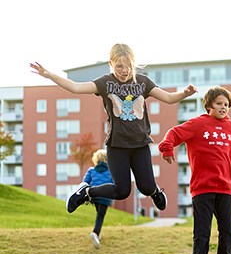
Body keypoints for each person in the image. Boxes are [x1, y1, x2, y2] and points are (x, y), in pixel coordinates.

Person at [30, 44, 197, 214]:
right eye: (119, 66)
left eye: (128, 66)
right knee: (122, 191)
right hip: (117, 146)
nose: (124, 71)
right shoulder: (106, 83)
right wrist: (49, 75)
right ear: (111, 63)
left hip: (140, 145)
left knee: (146, 187)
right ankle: (85, 192)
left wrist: (184, 93)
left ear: (133, 64)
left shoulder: (143, 82)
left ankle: (155, 192)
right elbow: (76, 87)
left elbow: (168, 98)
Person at [159, 86, 231, 254]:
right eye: (219, 103)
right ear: (209, 105)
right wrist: (167, 147)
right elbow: (174, 133)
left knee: (228, 231)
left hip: (225, 188)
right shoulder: (198, 124)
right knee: (202, 233)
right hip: (202, 188)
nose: (223, 107)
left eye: (226, 104)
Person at [83, 149, 113, 249]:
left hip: (94, 195)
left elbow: (85, 183)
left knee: (99, 213)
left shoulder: (91, 170)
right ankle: (95, 233)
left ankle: (97, 234)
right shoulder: (111, 171)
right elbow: (114, 184)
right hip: (105, 196)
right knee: (100, 215)